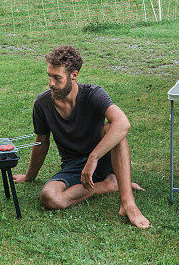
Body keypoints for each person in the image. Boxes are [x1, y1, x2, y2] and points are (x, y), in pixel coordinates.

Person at [13, 45, 150, 229]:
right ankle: (109, 185)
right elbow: (41, 142)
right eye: (49, 76)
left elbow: (123, 123)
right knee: (49, 197)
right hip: (74, 166)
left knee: (114, 129)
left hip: (102, 159)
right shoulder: (42, 104)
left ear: (74, 75)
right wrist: (30, 176)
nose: (51, 83)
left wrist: (94, 158)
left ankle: (128, 204)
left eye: (57, 78)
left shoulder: (93, 94)